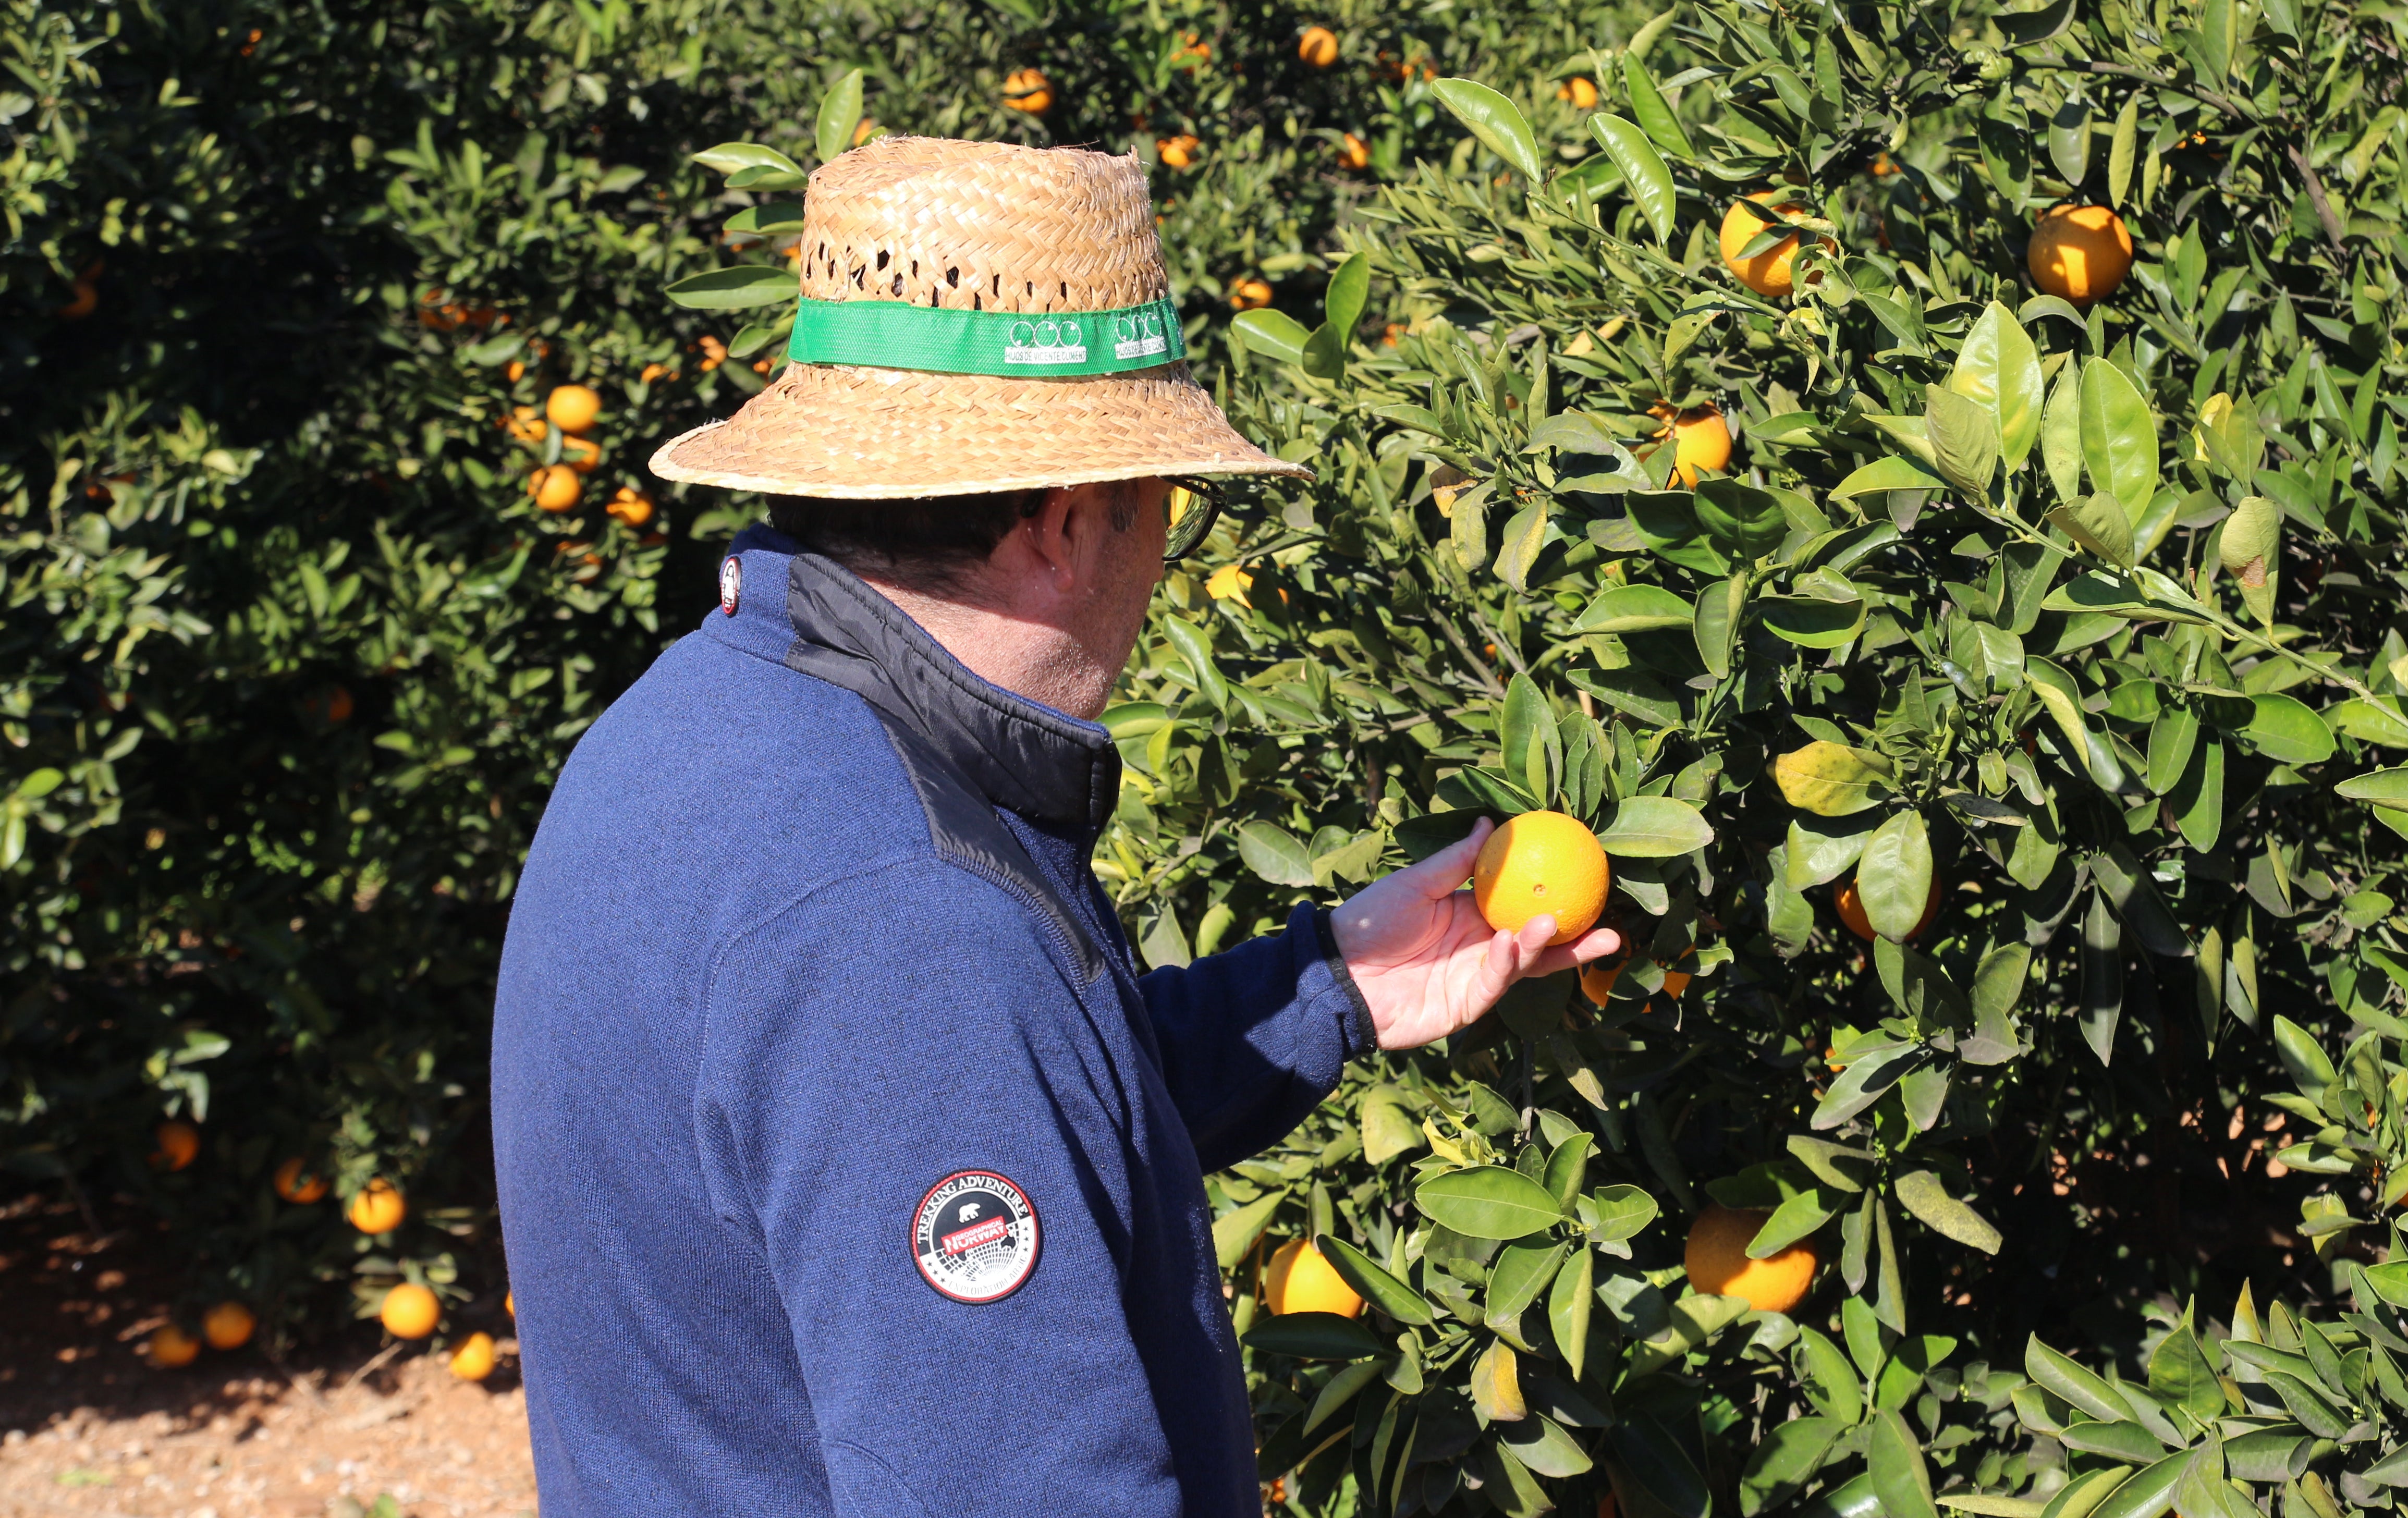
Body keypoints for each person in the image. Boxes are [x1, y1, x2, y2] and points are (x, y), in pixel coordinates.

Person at [490, 136, 1618, 1516]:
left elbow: (993, 1112)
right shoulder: (901, 918)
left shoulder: (685, 732)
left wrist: (1332, 983)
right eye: (1165, 505)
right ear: (1071, 520)